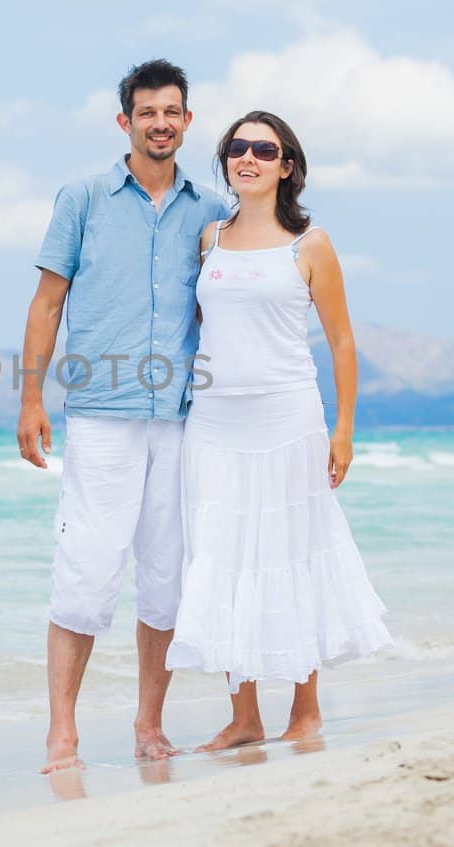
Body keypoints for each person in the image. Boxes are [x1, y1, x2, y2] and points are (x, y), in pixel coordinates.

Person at [17, 59, 232, 773]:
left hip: (178, 418)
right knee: (85, 571)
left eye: (173, 111)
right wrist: (29, 399)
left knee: (166, 577)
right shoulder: (82, 198)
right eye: (147, 112)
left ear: (187, 121)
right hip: (102, 416)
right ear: (126, 122)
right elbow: (48, 302)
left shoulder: (209, 211)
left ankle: (149, 724)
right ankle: (62, 734)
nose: (161, 123)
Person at [165, 111, 393, 749]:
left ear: (287, 166)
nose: (249, 158)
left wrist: (344, 429)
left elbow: (343, 342)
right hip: (213, 422)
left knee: (291, 553)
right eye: (237, 148)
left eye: (264, 150)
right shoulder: (209, 238)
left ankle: (306, 711)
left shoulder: (310, 245)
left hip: (289, 418)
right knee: (223, 554)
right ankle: (243, 717)